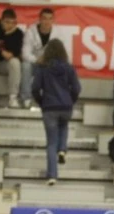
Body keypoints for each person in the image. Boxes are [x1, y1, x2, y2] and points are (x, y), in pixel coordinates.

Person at [32, 39, 81, 186]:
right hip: (66, 106)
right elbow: (77, 88)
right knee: (64, 127)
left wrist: (42, 102)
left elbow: (35, 88)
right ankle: (63, 150)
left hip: (49, 107)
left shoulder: (42, 68)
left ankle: (52, 176)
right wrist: (70, 100)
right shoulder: (69, 68)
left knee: (51, 143)